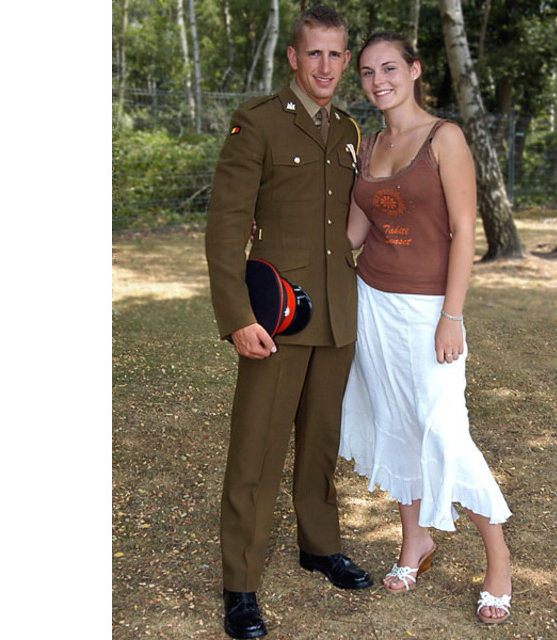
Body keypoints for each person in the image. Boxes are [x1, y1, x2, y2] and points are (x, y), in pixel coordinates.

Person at [205, 6, 372, 639]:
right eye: (315, 54)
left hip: (335, 315)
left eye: (337, 55)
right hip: (276, 318)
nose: (326, 67)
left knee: (321, 441)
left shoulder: (352, 128)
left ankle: (319, 545)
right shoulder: (259, 122)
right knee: (256, 450)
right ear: (294, 59)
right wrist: (238, 317)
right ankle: (241, 583)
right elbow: (226, 227)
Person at [338, 31, 514, 625]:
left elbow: (465, 231)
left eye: (389, 68)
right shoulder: (370, 143)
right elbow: (355, 233)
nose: (377, 80)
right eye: (366, 72)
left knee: (443, 428)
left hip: (428, 309)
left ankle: (498, 558)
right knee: (394, 419)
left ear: (414, 70)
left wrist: (452, 315)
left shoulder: (445, 138)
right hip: (372, 304)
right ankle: (414, 540)